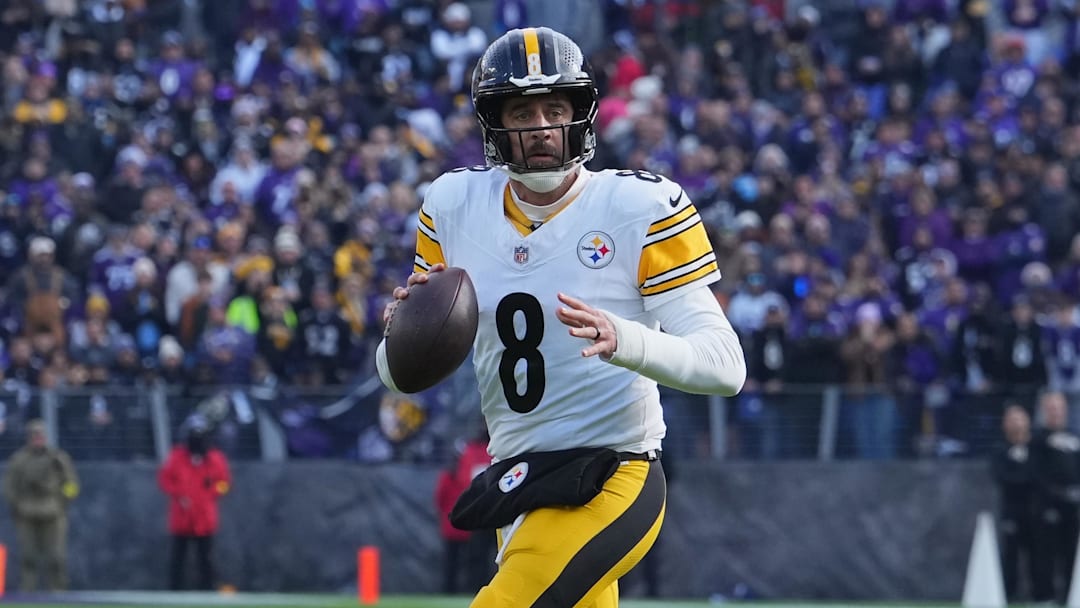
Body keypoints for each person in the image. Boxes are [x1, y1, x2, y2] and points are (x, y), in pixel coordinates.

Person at [375, 27, 746, 607]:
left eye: (556, 107)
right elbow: (400, 376)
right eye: (524, 111)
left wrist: (625, 338)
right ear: (495, 122)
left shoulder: (640, 206)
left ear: (582, 114)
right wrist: (400, 334)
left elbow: (725, 366)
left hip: (614, 475)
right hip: (519, 480)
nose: (544, 126)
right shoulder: (452, 205)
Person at [1, 418, 79, 591]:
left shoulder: (58, 458)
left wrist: (62, 501)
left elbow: (71, 483)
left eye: (41, 435)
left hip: (53, 511)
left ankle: (58, 592)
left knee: (56, 557)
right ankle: (28, 592)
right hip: (26, 512)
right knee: (28, 556)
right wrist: (18, 504)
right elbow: (9, 487)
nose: (38, 439)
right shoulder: (19, 459)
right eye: (34, 435)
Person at [158, 418, 232, 591]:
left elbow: (224, 483)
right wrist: (179, 495)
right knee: (178, 556)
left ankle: (207, 588)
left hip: (204, 515)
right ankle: (174, 589)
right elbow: (165, 480)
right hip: (182, 515)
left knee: (206, 556)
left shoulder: (215, 458)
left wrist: (212, 493)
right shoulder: (177, 456)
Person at [1030, 391, 1080, 604]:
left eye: (1059, 408)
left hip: (1074, 505)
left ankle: (1071, 595)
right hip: (1047, 506)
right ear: (1044, 411)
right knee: (1045, 554)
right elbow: (1035, 472)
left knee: (1072, 555)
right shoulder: (1037, 438)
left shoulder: (1075, 437)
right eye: (1051, 408)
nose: (1056, 412)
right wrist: (1053, 495)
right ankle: (1044, 597)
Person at [992, 404, 1036, 601]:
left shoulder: (1037, 448)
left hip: (1036, 511)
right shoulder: (1000, 450)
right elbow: (1001, 477)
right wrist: (1025, 477)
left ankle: (1041, 597)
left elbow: (1042, 476)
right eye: (1012, 419)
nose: (1017, 423)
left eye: (1020, 418)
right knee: (1010, 558)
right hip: (1011, 511)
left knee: (1039, 557)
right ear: (1004, 424)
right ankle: (1008, 597)